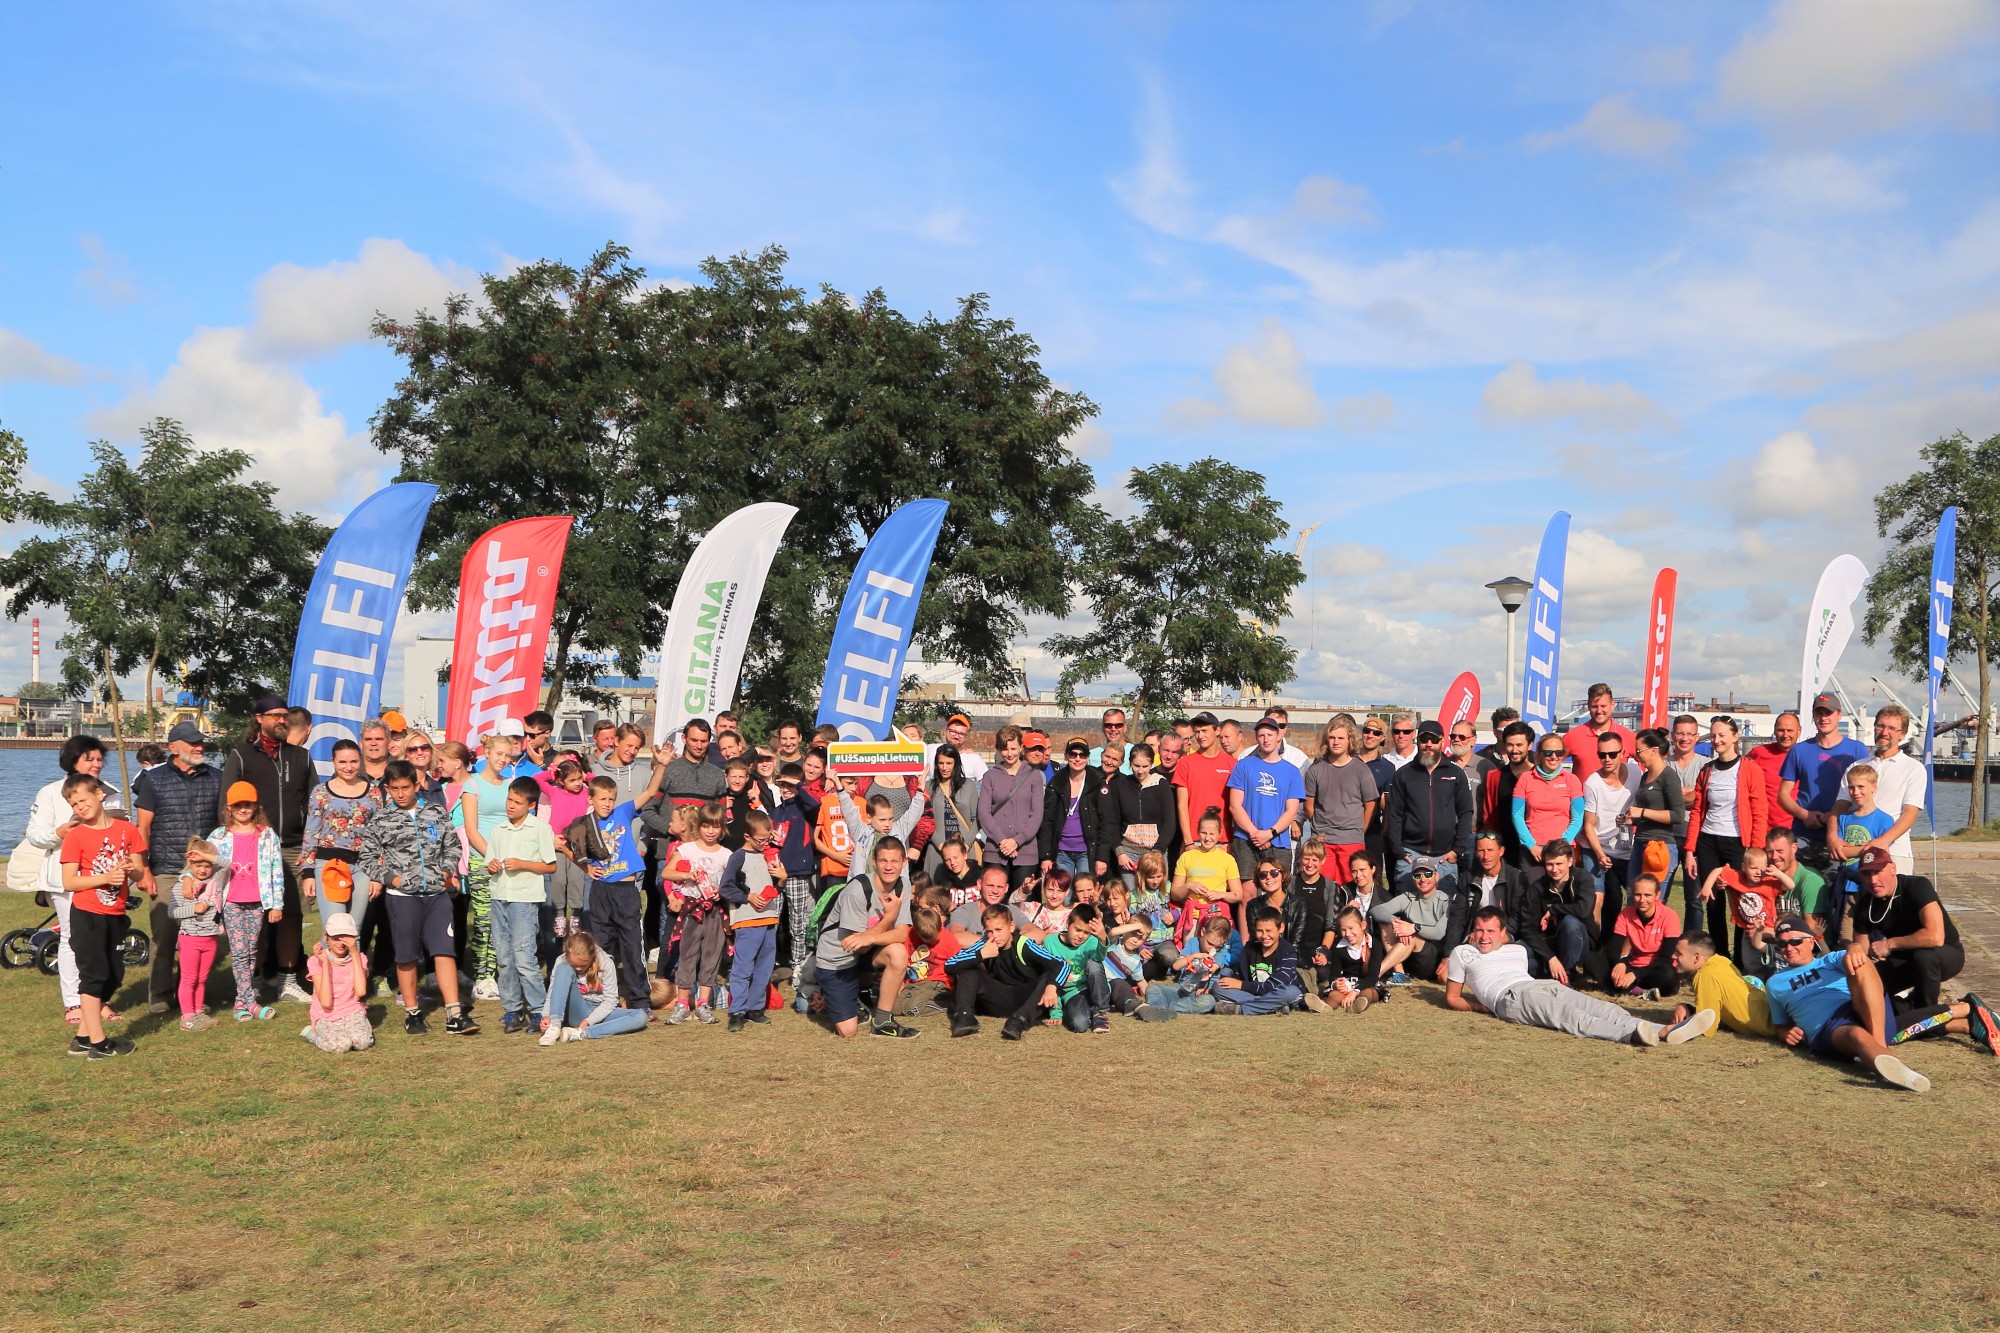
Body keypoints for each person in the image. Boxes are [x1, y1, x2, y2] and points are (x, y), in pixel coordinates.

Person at [1445, 907, 1715, 1047]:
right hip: (1510, 998)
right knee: (1571, 1017)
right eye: (1479, 930)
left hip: (1538, 985)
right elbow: (1453, 997)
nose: (1484, 936)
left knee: (1600, 1007)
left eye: (1490, 931)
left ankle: (1665, 1030)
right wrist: (1480, 1006)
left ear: (1503, 932)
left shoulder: (1515, 949)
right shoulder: (1462, 953)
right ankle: (1632, 1036)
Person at [360, 759, 476, 1035]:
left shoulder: (435, 812)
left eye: (405, 787)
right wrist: (392, 879)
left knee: (444, 951)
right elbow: (366, 857)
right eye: (394, 789)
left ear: (415, 785)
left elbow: (453, 846)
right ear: (387, 789)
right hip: (402, 897)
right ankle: (412, 1013)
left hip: (437, 895)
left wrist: (446, 871)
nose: (400, 794)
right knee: (406, 955)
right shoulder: (382, 819)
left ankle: (454, 1014)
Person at [216, 693, 315, 1003]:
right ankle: (253, 980)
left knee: (292, 916)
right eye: (275, 715)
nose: (282, 720)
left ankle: (287, 981)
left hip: (294, 848)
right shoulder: (241, 755)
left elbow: (314, 806)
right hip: (254, 848)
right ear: (259, 719)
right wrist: (232, 845)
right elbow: (226, 805)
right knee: (253, 917)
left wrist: (310, 847)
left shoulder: (301, 757)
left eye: (285, 715)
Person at [1764, 918, 1930, 1092]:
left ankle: (1879, 1047)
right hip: (1828, 1026)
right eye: (1782, 944)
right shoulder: (1775, 983)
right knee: (1856, 1035)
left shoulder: (1828, 960)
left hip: (1864, 1009)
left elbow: (1853, 955)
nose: (1789, 948)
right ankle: (1886, 1060)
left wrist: (1855, 946)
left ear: (1811, 942)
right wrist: (1785, 1033)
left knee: (1858, 960)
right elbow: (1781, 1026)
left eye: (1795, 941)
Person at [23, 736, 116, 1026]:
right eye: (90, 759)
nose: (97, 764)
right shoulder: (51, 792)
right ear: (73, 761)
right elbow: (35, 834)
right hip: (66, 879)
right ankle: (74, 1002)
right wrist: (59, 832)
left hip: (104, 877)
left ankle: (99, 999)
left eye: (100, 759)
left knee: (103, 939)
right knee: (73, 937)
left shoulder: (108, 791)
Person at [133, 719, 222, 1017]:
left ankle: (192, 995)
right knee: (164, 934)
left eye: (201, 742)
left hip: (205, 871)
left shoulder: (217, 777)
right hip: (167, 869)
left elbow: (224, 825)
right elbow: (143, 828)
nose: (199, 747)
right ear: (173, 747)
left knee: (199, 934)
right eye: (193, 743)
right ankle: (159, 994)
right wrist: (144, 870)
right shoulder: (153, 779)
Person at [566, 754, 668, 1010]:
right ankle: (602, 998)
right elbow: (563, 844)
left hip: (625, 889)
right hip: (600, 890)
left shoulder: (623, 812)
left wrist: (662, 765)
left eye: (611, 798)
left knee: (633, 946)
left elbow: (650, 791)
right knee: (601, 946)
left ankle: (640, 1000)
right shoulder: (584, 824)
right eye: (602, 799)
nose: (608, 803)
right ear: (590, 799)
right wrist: (585, 867)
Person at [57, 772, 146, 1059]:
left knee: (113, 976)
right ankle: (99, 1044)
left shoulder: (127, 830)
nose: (80, 808)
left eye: (83, 800)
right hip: (87, 915)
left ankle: (82, 1038)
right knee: (93, 976)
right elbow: (70, 882)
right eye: (74, 805)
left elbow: (139, 872)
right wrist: (105, 877)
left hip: (115, 913)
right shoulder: (76, 836)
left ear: (99, 794)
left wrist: (130, 869)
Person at [814, 837, 920, 1039]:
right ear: (874, 861)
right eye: (883, 860)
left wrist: (870, 938)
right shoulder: (857, 890)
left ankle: (882, 1022)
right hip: (837, 960)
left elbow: (901, 934)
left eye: (895, 861)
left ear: (904, 862)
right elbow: (858, 946)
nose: (889, 867)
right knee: (848, 1031)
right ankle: (838, 995)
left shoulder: (903, 885)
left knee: (898, 953)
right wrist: (889, 917)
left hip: (863, 952)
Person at [1682, 715, 1767, 948]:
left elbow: (1759, 812)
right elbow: (1697, 811)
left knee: (1744, 903)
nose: (1717, 740)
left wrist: (1756, 850)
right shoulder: (1707, 770)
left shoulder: (1749, 769)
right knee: (1713, 903)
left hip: (1738, 843)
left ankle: (1741, 957)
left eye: (1722, 735)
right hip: (1708, 842)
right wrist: (1690, 851)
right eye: (1713, 736)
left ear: (1735, 737)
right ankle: (1719, 955)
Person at [1845, 846, 1963, 1008]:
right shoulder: (1865, 904)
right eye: (1867, 874)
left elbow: (1935, 937)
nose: (1873, 880)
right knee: (1866, 988)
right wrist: (1854, 949)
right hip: (1905, 959)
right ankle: (1904, 1011)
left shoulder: (1916, 886)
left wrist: (1889, 944)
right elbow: (1861, 950)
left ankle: (1928, 1014)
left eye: (1878, 872)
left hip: (1944, 953)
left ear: (1893, 869)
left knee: (1924, 957)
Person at [484, 776, 558, 1033]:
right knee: (504, 957)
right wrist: (492, 865)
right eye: (509, 800)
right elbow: (489, 862)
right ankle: (512, 1009)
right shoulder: (498, 830)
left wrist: (523, 864)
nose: (511, 805)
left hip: (524, 900)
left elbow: (550, 865)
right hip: (499, 897)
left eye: (517, 802)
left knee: (524, 957)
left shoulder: (540, 829)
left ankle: (539, 1010)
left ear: (531, 805)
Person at [210, 781, 286, 1022]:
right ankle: (249, 1002)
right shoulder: (218, 836)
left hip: (258, 901)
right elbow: (204, 869)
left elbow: (276, 870)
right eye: (238, 805)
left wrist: (276, 904)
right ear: (229, 808)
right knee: (240, 952)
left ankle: (240, 1001)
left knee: (252, 951)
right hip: (230, 901)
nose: (243, 809)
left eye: (248, 804)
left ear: (256, 806)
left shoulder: (267, 835)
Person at [945, 902, 1070, 1039]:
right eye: (989, 931)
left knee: (1047, 976)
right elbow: (949, 964)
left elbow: (1062, 964)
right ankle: (964, 1016)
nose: (994, 936)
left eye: (999, 930)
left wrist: (1052, 987)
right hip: (998, 998)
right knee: (968, 968)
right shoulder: (985, 944)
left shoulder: (1024, 944)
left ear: (1011, 926)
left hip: (1026, 1001)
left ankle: (1019, 1020)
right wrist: (981, 955)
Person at [1777, 693, 1870, 871]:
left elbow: (1867, 793)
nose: (1824, 718)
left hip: (1843, 836)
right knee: (1801, 885)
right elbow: (1783, 795)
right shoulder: (1799, 751)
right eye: (1819, 713)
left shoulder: (1856, 750)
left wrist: (1835, 815)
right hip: (1804, 835)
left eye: (1828, 713)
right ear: (1813, 715)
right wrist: (1804, 815)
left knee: (1839, 887)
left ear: (1839, 715)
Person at [1829, 705, 1926, 875]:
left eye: (1892, 728)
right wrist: (1832, 836)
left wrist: (1882, 841)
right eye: (1880, 726)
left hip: (1894, 851)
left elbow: (1910, 814)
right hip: (1855, 851)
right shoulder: (1856, 766)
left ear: (1902, 734)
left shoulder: (1914, 769)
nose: (1884, 732)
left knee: (1893, 893)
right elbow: (1839, 807)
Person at [299, 738, 380, 941]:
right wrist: (308, 872)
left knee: (355, 930)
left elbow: (379, 835)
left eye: (353, 761)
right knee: (335, 929)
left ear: (360, 761)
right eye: (342, 762)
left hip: (363, 868)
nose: (348, 767)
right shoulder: (320, 792)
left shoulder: (374, 792)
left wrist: (378, 875)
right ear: (333, 762)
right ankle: (328, 963)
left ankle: (355, 964)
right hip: (329, 865)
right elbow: (311, 833)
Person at [662, 801, 734, 1025]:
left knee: (711, 955)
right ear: (699, 826)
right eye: (706, 826)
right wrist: (687, 875)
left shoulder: (727, 854)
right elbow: (667, 873)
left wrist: (721, 892)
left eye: (716, 826)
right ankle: (682, 1004)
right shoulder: (687, 849)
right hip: (691, 910)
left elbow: (732, 884)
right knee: (687, 955)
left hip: (715, 911)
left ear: (722, 828)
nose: (710, 831)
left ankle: (703, 1003)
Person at [457, 733, 517, 998]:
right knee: (483, 919)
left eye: (508, 755)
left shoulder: (511, 785)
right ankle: (482, 976)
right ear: (487, 753)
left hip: (508, 861)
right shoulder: (472, 786)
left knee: (503, 920)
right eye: (499, 754)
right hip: (482, 860)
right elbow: (472, 830)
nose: (503, 759)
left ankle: (498, 972)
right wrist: (491, 856)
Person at [1383, 720, 1474, 887]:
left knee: (1444, 903)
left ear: (1442, 741)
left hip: (1445, 856)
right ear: (1418, 741)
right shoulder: (1403, 774)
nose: (1429, 744)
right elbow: (1395, 813)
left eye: (1434, 740)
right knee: (1407, 902)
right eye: (1424, 739)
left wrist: (1457, 850)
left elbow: (1465, 812)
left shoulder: (1456, 773)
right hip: (1410, 853)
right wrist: (1398, 850)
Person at [718, 809, 785, 1031]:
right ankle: (737, 1011)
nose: (765, 843)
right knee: (743, 967)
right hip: (747, 921)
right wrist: (748, 897)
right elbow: (726, 887)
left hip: (769, 919)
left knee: (764, 968)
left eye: (768, 838)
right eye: (760, 839)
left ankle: (756, 1008)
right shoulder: (738, 857)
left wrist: (782, 881)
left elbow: (773, 889)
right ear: (747, 836)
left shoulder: (769, 855)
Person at [1225, 716, 1305, 882]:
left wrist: (1269, 833)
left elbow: (1291, 811)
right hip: (1246, 839)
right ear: (1256, 738)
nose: (1266, 739)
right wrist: (1255, 834)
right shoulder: (1243, 766)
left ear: (1278, 736)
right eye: (1261, 735)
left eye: (1270, 735)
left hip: (1278, 841)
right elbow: (1235, 806)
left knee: (1277, 889)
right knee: (1247, 891)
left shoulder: (1291, 771)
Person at [1579, 727, 1638, 944]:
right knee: (1597, 900)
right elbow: (1588, 825)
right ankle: (1594, 947)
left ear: (1622, 753)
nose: (1607, 759)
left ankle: (1625, 945)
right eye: (1602, 754)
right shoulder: (1592, 783)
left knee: (1634, 897)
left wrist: (1634, 820)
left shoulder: (1635, 773)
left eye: (1612, 754)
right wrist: (1599, 854)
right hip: (1595, 846)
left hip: (1625, 846)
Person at [539, 931, 649, 1043]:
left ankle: (581, 1033)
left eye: (583, 965)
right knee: (563, 968)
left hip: (600, 1009)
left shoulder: (606, 962)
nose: (578, 969)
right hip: (576, 1008)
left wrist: (589, 1021)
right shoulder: (561, 961)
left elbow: (611, 1000)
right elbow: (553, 992)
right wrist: (546, 1016)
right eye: (574, 965)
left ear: (592, 956)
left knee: (640, 1016)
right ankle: (554, 1027)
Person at [1304, 718, 1378, 884]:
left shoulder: (1361, 770)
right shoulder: (1315, 770)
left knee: (1351, 886)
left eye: (1340, 738)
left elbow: (1370, 805)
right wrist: (1319, 828)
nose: (1336, 742)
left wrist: (1359, 829)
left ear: (1349, 740)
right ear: (1326, 740)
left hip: (1351, 839)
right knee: (1322, 886)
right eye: (1332, 737)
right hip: (1323, 840)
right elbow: (1309, 806)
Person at [1623, 728, 1687, 917]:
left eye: (1639, 751)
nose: (1637, 756)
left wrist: (1643, 812)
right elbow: (1648, 813)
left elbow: (1677, 815)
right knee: (1633, 900)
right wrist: (1632, 819)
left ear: (1653, 750)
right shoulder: (1645, 776)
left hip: (1660, 846)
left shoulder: (1668, 776)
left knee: (1654, 905)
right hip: (1640, 844)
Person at [1669, 932, 1776, 1039]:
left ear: (1696, 957)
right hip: (1772, 1009)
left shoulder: (1706, 975)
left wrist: (1670, 1028)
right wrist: (1688, 1008)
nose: (1673, 956)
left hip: (1776, 1026)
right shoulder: (1721, 961)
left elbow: (1707, 1028)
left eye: (1679, 953)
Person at [1826, 763, 1896, 926]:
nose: (1856, 792)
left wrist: (1854, 849)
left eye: (1861, 787)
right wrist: (1866, 848)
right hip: (1847, 886)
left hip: (1872, 885)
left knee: (1873, 931)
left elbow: (1882, 853)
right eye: (1851, 788)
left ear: (1873, 787)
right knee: (1845, 933)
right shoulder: (1844, 818)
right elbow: (1839, 852)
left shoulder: (1884, 820)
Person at [1369, 856, 1456, 985]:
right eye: (1417, 875)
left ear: (1436, 876)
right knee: (1385, 922)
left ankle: (1374, 975)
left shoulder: (1446, 901)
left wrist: (1414, 928)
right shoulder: (1407, 897)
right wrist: (1395, 921)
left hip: (1431, 959)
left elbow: (1439, 933)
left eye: (1428, 874)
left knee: (1414, 936)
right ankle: (1400, 973)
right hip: (1407, 954)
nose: (1423, 879)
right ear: (1412, 878)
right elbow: (1376, 910)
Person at [977, 725, 1044, 890]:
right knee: (995, 899)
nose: (1009, 753)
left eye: (1013, 748)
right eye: (1005, 749)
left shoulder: (1034, 776)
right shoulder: (990, 776)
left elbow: (1036, 815)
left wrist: (1017, 841)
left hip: (1025, 850)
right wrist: (1002, 841)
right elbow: (984, 813)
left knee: (1023, 899)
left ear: (1021, 748)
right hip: (996, 850)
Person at [169, 838, 225, 1030]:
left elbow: (228, 864)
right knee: (189, 978)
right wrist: (194, 908)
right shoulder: (182, 886)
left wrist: (205, 855)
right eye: (198, 865)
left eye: (207, 865)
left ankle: (199, 1012)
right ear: (189, 863)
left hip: (210, 938)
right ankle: (187, 1017)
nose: (203, 870)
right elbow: (172, 912)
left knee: (202, 978)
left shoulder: (216, 881)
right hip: (189, 939)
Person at [1213, 905, 1304, 1015]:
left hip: (1278, 992)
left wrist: (1241, 985)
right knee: (1218, 987)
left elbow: (1274, 986)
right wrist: (1233, 982)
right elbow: (1239, 976)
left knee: (1291, 992)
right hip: (1255, 994)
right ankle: (1273, 1007)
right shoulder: (1249, 948)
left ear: (1281, 928)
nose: (1264, 936)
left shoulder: (1288, 951)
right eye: (1260, 931)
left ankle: (1241, 1010)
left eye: (1269, 930)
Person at [303, 912, 373, 1053]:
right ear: (326, 937)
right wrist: (325, 964)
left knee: (362, 1042)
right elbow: (326, 1003)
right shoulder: (315, 961)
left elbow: (360, 991)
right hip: (325, 1016)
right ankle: (313, 1036)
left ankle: (351, 1030)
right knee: (342, 1045)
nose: (341, 944)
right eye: (336, 938)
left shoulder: (360, 958)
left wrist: (354, 953)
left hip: (352, 1011)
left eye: (346, 939)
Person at [1511, 732, 1584, 867]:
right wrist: (1531, 845)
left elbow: (1578, 818)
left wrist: (1562, 845)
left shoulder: (1572, 780)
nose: (1553, 757)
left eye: (1558, 752)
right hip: (1533, 850)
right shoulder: (1525, 779)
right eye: (1548, 752)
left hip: (1563, 849)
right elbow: (1517, 815)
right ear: (1539, 754)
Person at [1605, 874, 1681, 998]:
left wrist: (1636, 975)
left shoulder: (1670, 916)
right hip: (1632, 965)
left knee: (1668, 974)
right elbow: (1614, 947)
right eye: (1637, 895)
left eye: (1647, 895)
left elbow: (1666, 957)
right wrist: (1619, 963)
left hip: (1655, 969)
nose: (1642, 900)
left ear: (1657, 895)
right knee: (1592, 959)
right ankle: (1636, 990)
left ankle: (1623, 987)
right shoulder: (1625, 913)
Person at [1042, 902, 1112, 1032]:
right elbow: (1049, 977)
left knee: (1093, 963)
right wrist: (1056, 1013)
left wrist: (1102, 939)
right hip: (1069, 992)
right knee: (1079, 1024)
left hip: (1088, 987)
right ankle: (1087, 1009)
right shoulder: (1050, 942)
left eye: (1086, 932)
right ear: (1068, 924)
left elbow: (1099, 958)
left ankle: (1100, 1012)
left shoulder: (1091, 941)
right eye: (1078, 930)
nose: (1080, 936)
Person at [1173, 711, 1236, 856]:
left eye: (1204, 731)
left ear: (1217, 730)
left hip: (1223, 842)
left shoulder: (1232, 764)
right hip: (1194, 842)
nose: (1200, 736)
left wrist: (1230, 841)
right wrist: (1188, 841)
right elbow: (1182, 805)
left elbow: (1236, 805)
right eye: (1197, 732)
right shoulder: (1185, 764)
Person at [1041, 738, 1100, 878]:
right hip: (1062, 851)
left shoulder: (1097, 783)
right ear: (1066, 756)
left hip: (1086, 850)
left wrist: (1101, 857)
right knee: (1063, 889)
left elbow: (1106, 821)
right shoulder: (1055, 783)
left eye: (1082, 755)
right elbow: (1047, 821)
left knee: (1084, 889)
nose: (1077, 759)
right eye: (1073, 754)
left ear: (1087, 758)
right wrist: (1046, 855)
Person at [924, 744, 982, 878]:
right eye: (941, 763)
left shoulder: (968, 785)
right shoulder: (929, 786)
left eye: (949, 763)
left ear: (956, 763)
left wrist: (967, 844)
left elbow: (976, 819)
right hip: (937, 849)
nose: (944, 767)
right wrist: (939, 844)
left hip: (964, 849)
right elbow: (925, 819)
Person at [1086, 743, 1140, 886]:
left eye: (1115, 759)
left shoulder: (1125, 782)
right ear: (1101, 755)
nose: (1109, 762)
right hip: (1093, 841)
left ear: (1121, 762)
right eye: (1107, 756)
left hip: (1117, 844)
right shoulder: (1090, 777)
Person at [1766, 829, 1830, 940]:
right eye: (1769, 851)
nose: (1774, 856)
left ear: (1794, 848)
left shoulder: (1811, 881)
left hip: (1804, 944)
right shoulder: (1766, 878)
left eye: (1780, 851)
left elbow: (1811, 931)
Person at [1745, 710, 1800, 834]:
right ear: (1774, 731)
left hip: (1796, 831)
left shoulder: (1806, 755)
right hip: (1764, 831)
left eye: (1790, 730)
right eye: (1781, 730)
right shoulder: (1759, 753)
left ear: (1799, 731)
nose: (1785, 735)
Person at [1562, 683, 1635, 776]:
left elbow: (1649, 762)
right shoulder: (1573, 736)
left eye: (1603, 706)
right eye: (1594, 706)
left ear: (1612, 705)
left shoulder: (1628, 737)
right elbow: (1550, 761)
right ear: (1588, 706)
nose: (1599, 711)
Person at [1324, 906, 1382, 1012]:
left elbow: (1373, 976)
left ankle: (1356, 1007)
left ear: (1363, 925)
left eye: (1351, 928)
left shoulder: (1374, 945)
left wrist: (1355, 991)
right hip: (1347, 986)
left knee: (1368, 993)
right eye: (1343, 930)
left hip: (1366, 985)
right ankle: (1324, 1007)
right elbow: (1334, 974)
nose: (1347, 934)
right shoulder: (1338, 947)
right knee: (1334, 995)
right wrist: (1336, 983)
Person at [1087, 707, 1133, 775]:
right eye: (1108, 725)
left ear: (1125, 727)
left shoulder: (1136, 753)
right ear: (1103, 728)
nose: (1113, 729)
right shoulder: (1091, 756)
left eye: (1118, 725)